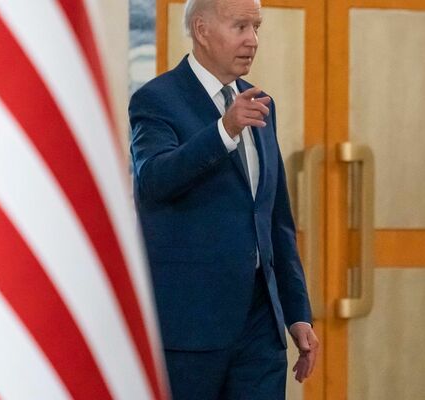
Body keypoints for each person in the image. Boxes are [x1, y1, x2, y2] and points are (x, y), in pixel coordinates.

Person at [129, 0, 317, 398]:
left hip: (261, 327)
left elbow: (275, 219)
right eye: (240, 27)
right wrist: (223, 132)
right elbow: (154, 180)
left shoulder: (259, 102)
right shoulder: (157, 99)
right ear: (201, 30)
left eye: (257, 27)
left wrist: (297, 312)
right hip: (191, 328)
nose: (252, 40)